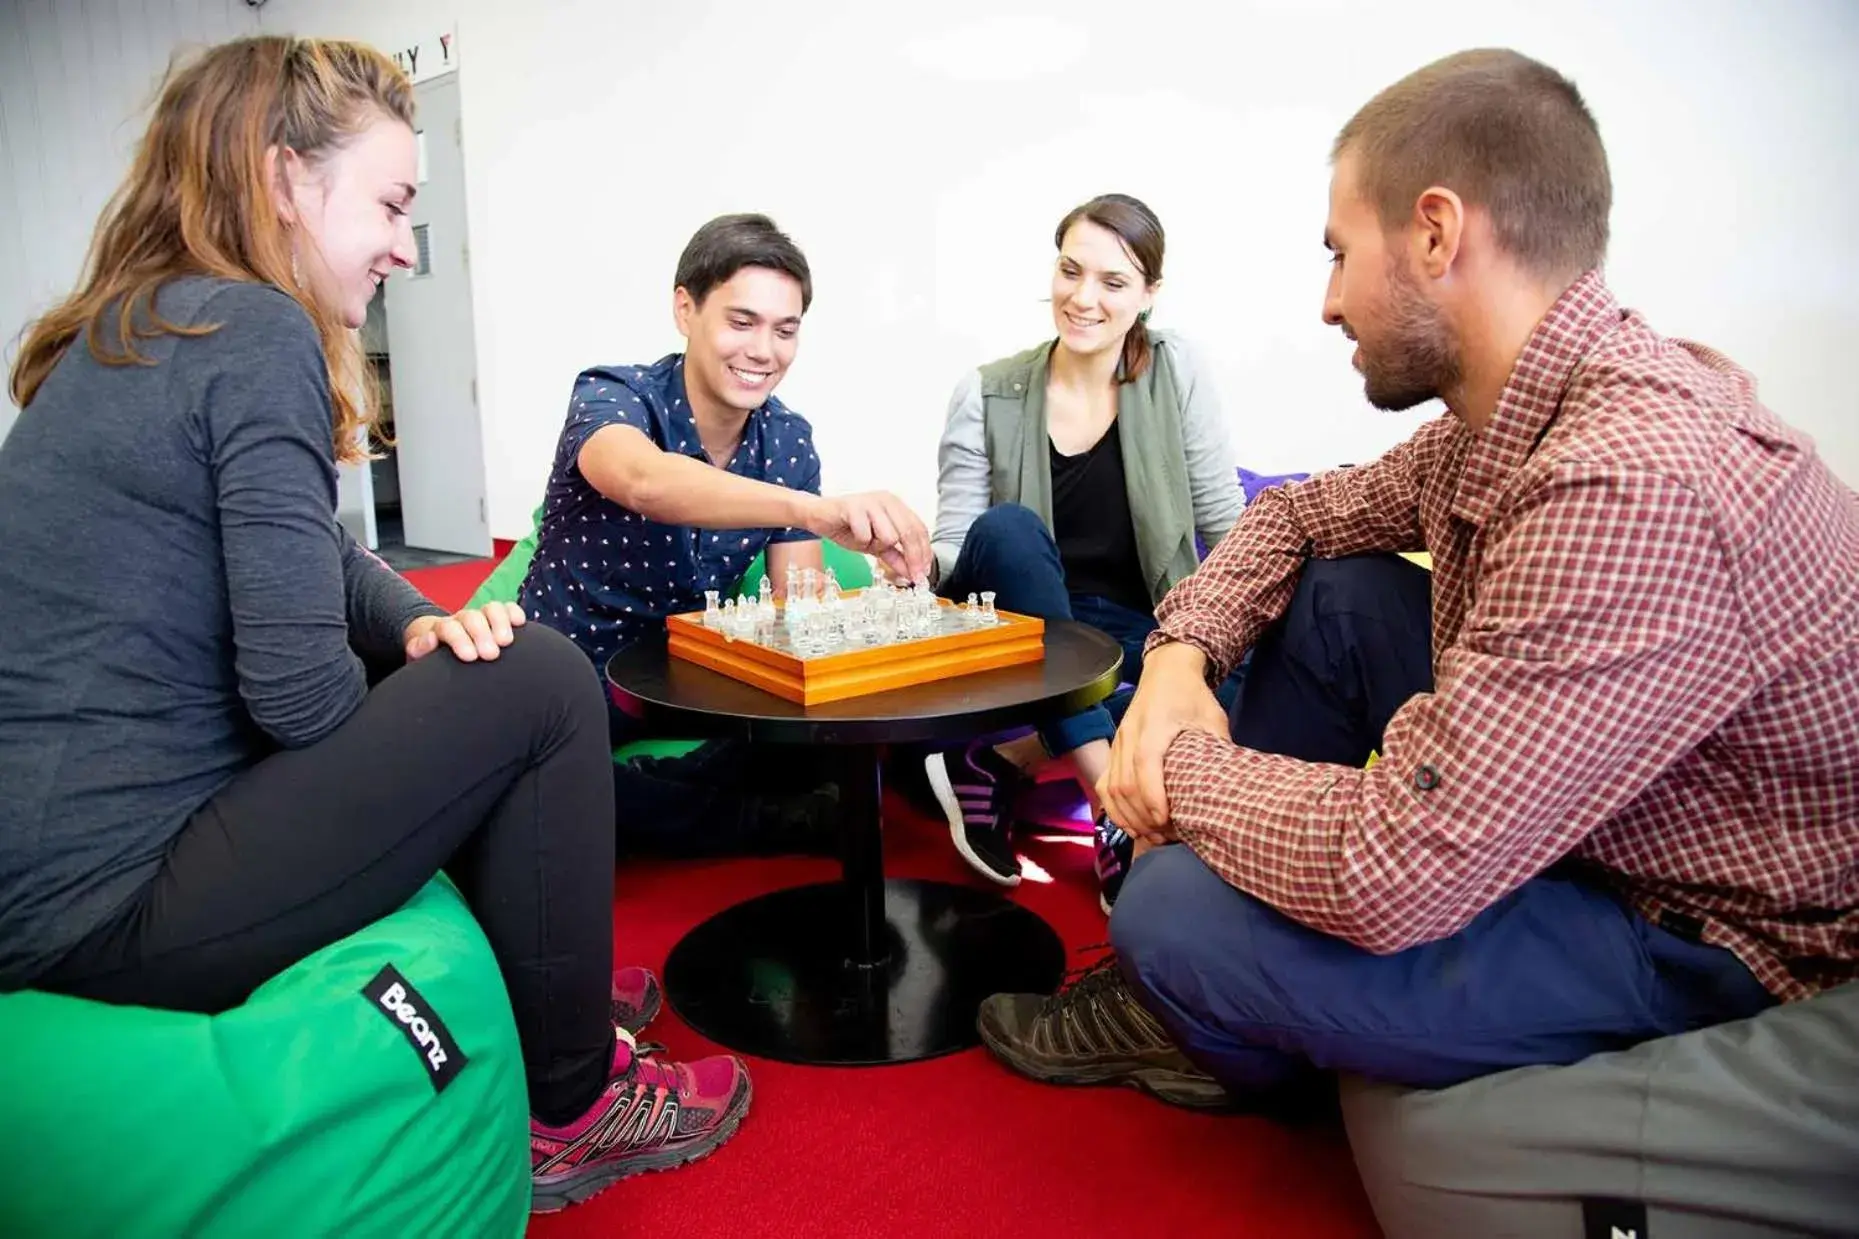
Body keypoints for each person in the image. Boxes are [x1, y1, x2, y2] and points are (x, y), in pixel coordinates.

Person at [975, 49, 1859, 1114]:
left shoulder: (1629, 479)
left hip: (1697, 925)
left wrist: (1174, 767)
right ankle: (1210, 966)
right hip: (1604, 806)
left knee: (1165, 913)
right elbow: (1295, 513)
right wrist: (1177, 657)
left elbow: (1394, 865)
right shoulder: (1524, 411)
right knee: (1338, 590)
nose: (1327, 302)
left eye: (1339, 255)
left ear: (1434, 233)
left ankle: (1211, 1022)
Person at [0, 37, 748, 1212]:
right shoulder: (255, 332)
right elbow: (298, 699)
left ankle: (542, 985)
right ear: (286, 180)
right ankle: (571, 1106)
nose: (407, 244)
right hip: (108, 905)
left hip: (46, 872)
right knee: (540, 683)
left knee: (473, 658)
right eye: (392, 203)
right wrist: (436, 751)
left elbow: (322, 555)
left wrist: (415, 630)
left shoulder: (139, 326)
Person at [520, 213, 932, 855]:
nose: (764, 352)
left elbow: (801, 612)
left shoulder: (788, 439)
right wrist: (816, 511)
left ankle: (660, 799)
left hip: (684, 682)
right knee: (524, 793)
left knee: (824, 736)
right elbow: (644, 480)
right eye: (741, 322)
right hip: (568, 676)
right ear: (686, 309)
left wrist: (891, 602)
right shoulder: (613, 395)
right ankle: (756, 821)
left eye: (785, 330)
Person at [922, 194, 1245, 906]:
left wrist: (1243, 626)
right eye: (1071, 271)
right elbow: (957, 545)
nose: (1083, 297)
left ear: (1148, 295)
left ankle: (996, 761)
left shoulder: (1176, 369)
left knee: (1254, 664)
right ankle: (1113, 805)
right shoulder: (987, 391)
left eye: (1112, 281)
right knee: (1007, 526)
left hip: (1133, 628)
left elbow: (1225, 523)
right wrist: (916, 564)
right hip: (1025, 628)